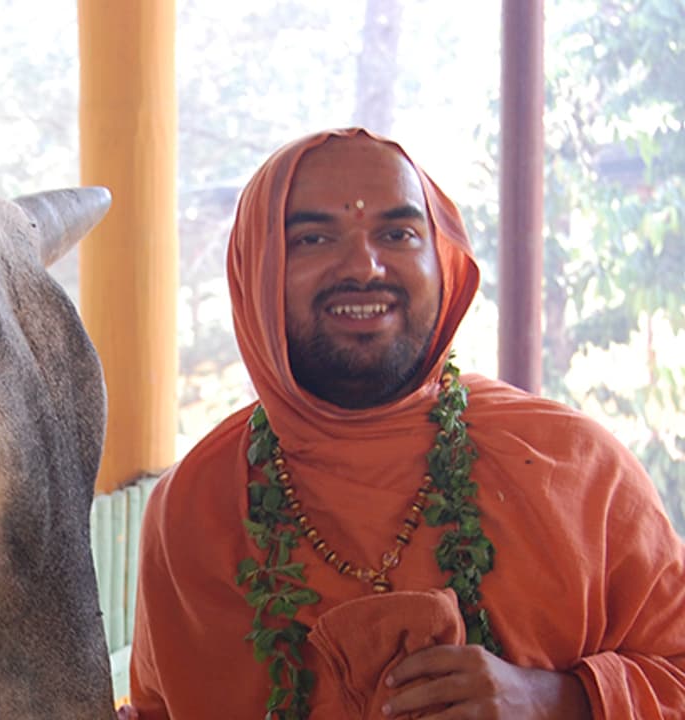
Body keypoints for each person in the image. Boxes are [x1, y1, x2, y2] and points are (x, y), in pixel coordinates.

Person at [125, 127, 685, 719]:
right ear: (255, 272)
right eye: (314, 238)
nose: (365, 267)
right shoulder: (193, 507)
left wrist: (558, 700)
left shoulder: (572, 465)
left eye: (397, 234)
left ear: (442, 261)